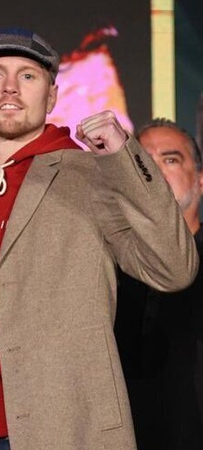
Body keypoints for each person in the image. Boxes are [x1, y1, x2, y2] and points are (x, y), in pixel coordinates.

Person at [0, 28, 198, 450]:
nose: (10, 87)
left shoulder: (90, 173)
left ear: (52, 97)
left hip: (64, 432)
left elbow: (173, 267)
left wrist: (123, 157)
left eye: (28, 76)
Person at [114, 118, 203, 449]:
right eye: (142, 162)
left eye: (170, 159)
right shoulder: (109, 268)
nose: (154, 172)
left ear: (201, 179)